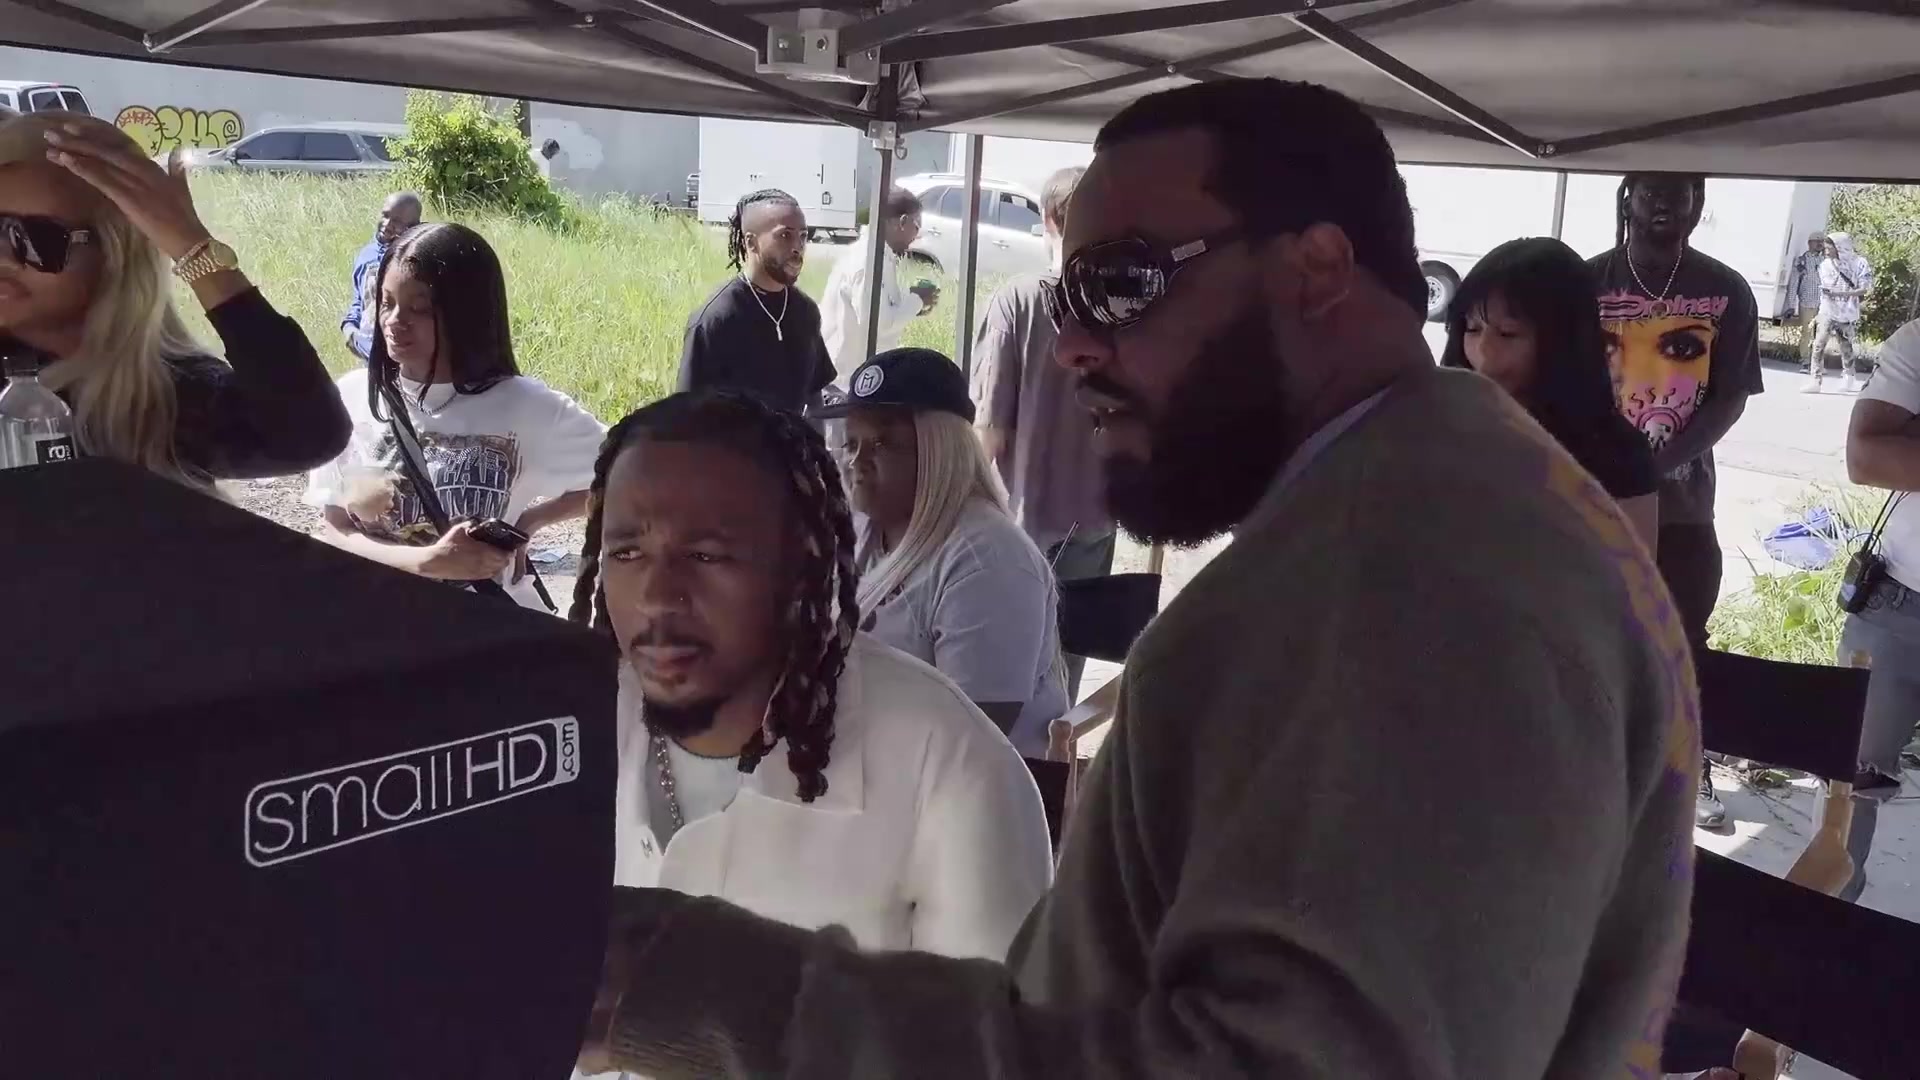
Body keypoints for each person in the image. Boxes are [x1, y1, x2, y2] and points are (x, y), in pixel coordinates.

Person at [578, 78, 1699, 1080]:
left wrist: (684, 990)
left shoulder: (1408, 582)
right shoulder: (1430, 505)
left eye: (1120, 285)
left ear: (1316, 272)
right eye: (1066, 301)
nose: (1073, 346)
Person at [567, 389, 1051, 963]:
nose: (656, 598)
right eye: (627, 553)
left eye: (706, 556)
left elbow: (993, 1020)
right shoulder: (561, 729)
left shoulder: (953, 770)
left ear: (796, 567)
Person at [0, 110, 347, 485]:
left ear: (114, 256)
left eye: (35, 238)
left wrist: (192, 247)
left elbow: (307, 435)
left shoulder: (164, 397)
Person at [305, 222, 604, 610]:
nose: (394, 320)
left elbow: (624, 474)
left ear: (466, 313)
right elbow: (336, 529)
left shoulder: (526, 406)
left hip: (480, 635)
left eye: (419, 308)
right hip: (370, 625)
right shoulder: (351, 396)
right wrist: (426, 562)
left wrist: (532, 520)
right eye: (386, 303)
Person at [1590, 171, 1761, 829]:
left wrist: (1654, 464)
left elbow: (1730, 398)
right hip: (1591, 502)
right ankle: (1598, 767)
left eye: (1679, 189)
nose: (1663, 201)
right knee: (1592, 636)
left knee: (1682, 641)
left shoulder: (1726, 289)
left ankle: (1688, 770)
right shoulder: (1587, 281)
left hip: (1683, 510)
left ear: (1698, 201)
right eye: (1650, 188)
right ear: (1627, 197)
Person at [812, 347, 1067, 756]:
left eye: (882, 443)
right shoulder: (862, 528)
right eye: (851, 442)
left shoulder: (988, 560)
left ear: (939, 451)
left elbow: (971, 738)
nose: (857, 461)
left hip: (950, 783)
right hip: (862, 763)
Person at [971, 165, 1112, 698]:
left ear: (1049, 218)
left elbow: (989, 430)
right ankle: (1058, 750)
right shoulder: (1120, 304)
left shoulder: (1018, 299)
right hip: (1094, 518)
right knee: (1064, 677)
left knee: (1005, 673)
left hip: (1022, 524)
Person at [1441, 236, 1659, 546]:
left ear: (1563, 342)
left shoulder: (1617, 454)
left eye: (1508, 333)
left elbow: (1633, 571)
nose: (1484, 351)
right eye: (1473, 329)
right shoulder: (1447, 428)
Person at [1834, 315, 1920, 902]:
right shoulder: (1918, 341)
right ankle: (1828, 931)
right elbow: (1866, 457)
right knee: (1849, 785)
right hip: (1898, 604)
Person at [677, 188, 833, 415]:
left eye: (803, 236)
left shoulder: (806, 312)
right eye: (785, 236)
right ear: (752, 243)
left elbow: (815, 395)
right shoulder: (715, 321)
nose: (797, 247)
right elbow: (686, 415)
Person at [820, 185, 938, 378]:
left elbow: (879, 309)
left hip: (858, 373)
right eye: (916, 227)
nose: (916, 236)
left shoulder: (877, 255)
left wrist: (914, 302)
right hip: (845, 380)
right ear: (902, 222)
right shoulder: (867, 262)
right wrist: (917, 300)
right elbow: (878, 325)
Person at [340, 191, 422, 361]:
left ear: (414, 227)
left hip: (403, 355)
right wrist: (349, 328)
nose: (387, 224)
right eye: (385, 215)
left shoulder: (417, 261)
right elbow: (359, 301)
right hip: (368, 354)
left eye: (397, 221)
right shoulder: (366, 255)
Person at [1807, 231, 1873, 394]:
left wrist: (1842, 294)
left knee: (1845, 347)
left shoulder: (1859, 263)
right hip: (1827, 310)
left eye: (1829, 247)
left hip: (1846, 312)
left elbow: (1864, 288)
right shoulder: (1825, 265)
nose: (1826, 250)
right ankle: (1815, 380)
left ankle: (1849, 377)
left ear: (1840, 247)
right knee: (1818, 344)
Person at [1783, 230, 1826, 367]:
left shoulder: (1826, 261)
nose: (1819, 244)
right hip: (1807, 302)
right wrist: (1791, 305)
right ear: (1809, 243)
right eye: (1816, 241)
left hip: (1823, 304)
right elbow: (1794, 284)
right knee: (1807, 331)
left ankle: (1817, 360)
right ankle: (1805, 359)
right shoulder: (1802, 261)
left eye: (1821, 241)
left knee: (1822, 333)